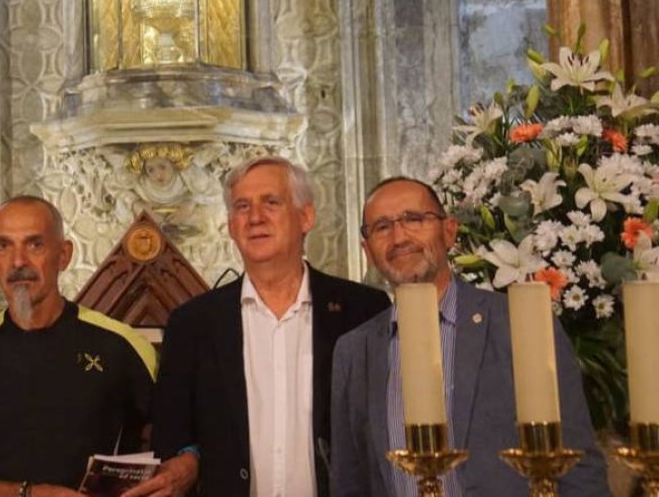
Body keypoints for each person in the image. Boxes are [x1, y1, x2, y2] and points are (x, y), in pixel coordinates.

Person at [128, 156, 391, 497]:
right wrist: (187, 460)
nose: (255, 218)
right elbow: (171, 435)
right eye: (242, 207)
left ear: (306, 217)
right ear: (231, 227)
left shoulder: (363, 310)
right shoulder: (192, 324)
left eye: (271, 202)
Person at [329, 177, 608, 496]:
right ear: (367, 250)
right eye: (381, 227)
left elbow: (579, 465)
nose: (399, 237)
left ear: (449, 231)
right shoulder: (355, 351)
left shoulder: (518, 323)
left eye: (414, 219)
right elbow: (350, 483)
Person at [0, 196, 157, 496]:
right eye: (4, 246)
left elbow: (178, 448)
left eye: (35, 245)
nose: (18, 261)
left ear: (63, 255)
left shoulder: (122, 345)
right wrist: (27, 494)